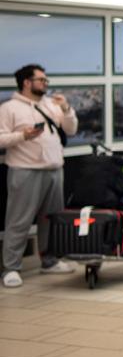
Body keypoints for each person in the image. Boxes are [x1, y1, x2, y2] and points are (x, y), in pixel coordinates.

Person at [0, 64, 78, 288]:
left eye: (46, 80)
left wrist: (66, 109)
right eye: (41, 80)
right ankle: (11, 268)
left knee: (52, 219)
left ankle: (50, 260)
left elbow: (71, 129)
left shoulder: (51, 105)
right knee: (19, 220)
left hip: (54, 170)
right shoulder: (9, 108)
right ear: (26, 82)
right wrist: (23, 136)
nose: (45, 84)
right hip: (25, 171)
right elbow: (1, 138)